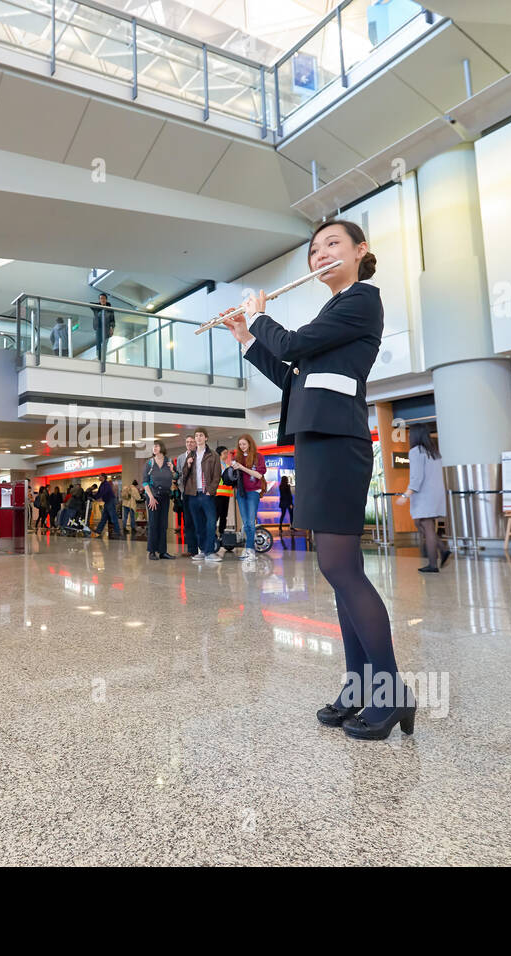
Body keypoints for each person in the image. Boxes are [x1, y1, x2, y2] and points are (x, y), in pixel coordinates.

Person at [223, 218, 412, 740]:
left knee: (340, 569)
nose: (320, 255)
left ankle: (392, 692)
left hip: (339, 443)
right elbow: (292, 374)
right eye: (314, 250)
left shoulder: (362, 300)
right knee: (338, 571)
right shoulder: (331, 312)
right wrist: (246, 337)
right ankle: (359, 688)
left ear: (359, 252)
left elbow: (293, 344)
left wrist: (260, 317)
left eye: (332, 244)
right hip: (318, 441)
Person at [399, 423, 450, 573]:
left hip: (424, 496)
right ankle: (443, 549)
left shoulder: (415, 452)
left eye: (410, 434)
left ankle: (433, 564)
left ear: (415, 435)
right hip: (434, 494)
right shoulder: (433, 452)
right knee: (421, 524)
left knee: (427, 526)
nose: (408, 436)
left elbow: (416, 477)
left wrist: (405, 495)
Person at [180, 427, 222, 562]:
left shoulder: (213, 455)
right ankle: (203, 550)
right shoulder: (191, 455)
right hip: (192, 494)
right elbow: (184, 475)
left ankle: (210, 552)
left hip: (206, 494)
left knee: (210, 523)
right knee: (198, 524)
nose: (198, 438)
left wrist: (211, 490)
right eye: (196, 435)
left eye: (201, 435)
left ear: (206, 438)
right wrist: (187, 464)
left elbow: (217, 475)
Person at [229, 434, 268, 559]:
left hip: (253, 492)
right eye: (240, 445)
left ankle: (250, 549)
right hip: (241, 492)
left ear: (250, 444)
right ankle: (248, 549)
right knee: (245, 523)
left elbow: (259, 475)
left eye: (244, 444)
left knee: (251, 522)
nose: (242, 447)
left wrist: (242, 467)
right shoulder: (237, 457)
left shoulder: (258, 457)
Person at [142, 440, 177, 559]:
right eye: (153, 447)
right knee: (153, 523)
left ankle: (162, 551)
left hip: (165, 495)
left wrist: (173, 470)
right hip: (153, 496)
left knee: (163, 524)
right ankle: (151, 551)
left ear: (162, 447)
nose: (154, 448)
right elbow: (145, 481)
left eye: (156, 446)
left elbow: (177, 476)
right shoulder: (149, 463)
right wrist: (150, 497)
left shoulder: (169, 461)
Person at [175, 434, 200, 556]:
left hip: (198, 493)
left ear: (195, 443)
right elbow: (179, 475)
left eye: (192, 442)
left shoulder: (199, 455)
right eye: (187, 442)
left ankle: (202, 547)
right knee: (188, 521)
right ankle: (192, 549)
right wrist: (182, 488)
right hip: (186, 493)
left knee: (199, 520)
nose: (189, 444)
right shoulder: (180, 458)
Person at [91, 293, 115, 362]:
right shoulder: (96, 308)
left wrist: (111, 328)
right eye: (101, 298)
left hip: (107, 328)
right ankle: (99, 358)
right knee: (98, 343)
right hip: (99, 328)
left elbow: (112, 320)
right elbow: (90, 304)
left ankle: (103, 358)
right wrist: (100, 304)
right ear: (99, 300)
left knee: (105, 344)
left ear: (106, 299)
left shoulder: (110, 309)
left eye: (104, 298)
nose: (103, 300)